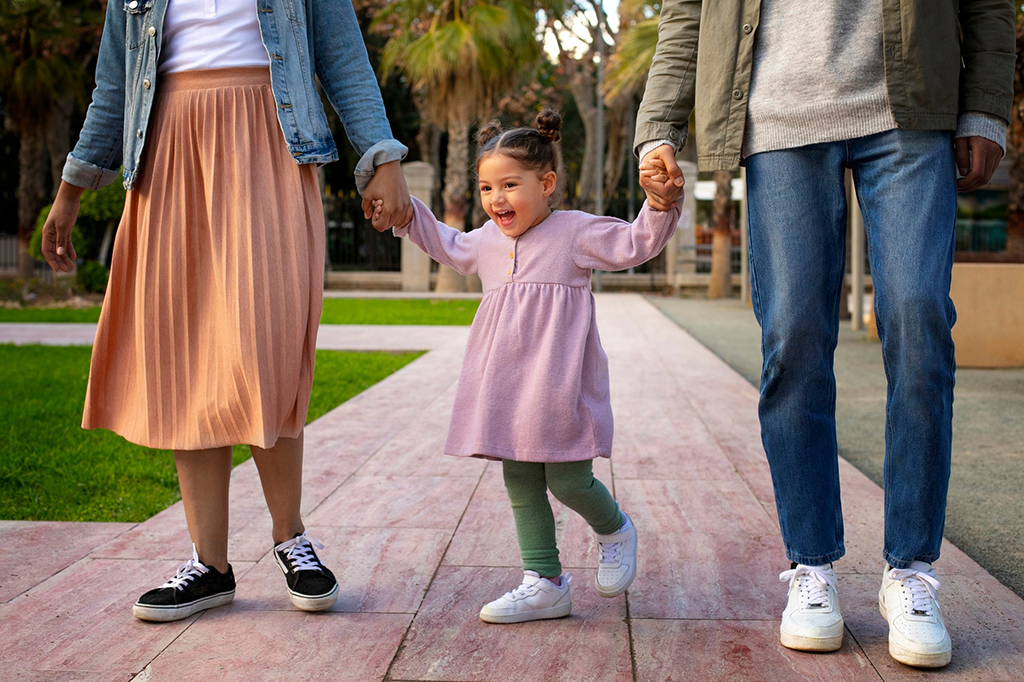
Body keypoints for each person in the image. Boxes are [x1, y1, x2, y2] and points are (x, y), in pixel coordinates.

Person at [634, 0, 1015, 668]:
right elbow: (687, 11)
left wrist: (984, 108)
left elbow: (987, 4)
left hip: (910, 106)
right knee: (793, 337)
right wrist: (658, 128)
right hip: (778, 115)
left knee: (920, 318)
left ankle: (911, 570)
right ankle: (811, 566)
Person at [39, 0, 412, 622]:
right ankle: (209, 564)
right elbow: (114, 85)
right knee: (184, 351)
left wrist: (384, 157)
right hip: (166, 153)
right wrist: (71, 189)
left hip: (269, 142)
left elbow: (344, 59)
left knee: (268, 342)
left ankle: (291, 538)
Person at [372, 110, 682, 623]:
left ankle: (614, 529)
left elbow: (634, 244)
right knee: (519, 479)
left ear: (547, 184)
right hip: (506, 386)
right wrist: (404, 211)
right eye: (486, 187)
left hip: (558, 385)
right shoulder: (485, 241)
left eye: (510, 185)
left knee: (568, 480)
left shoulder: (574, 231)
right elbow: (445, 241)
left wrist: (659, 204)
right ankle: (544, 582)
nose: (496, 198)